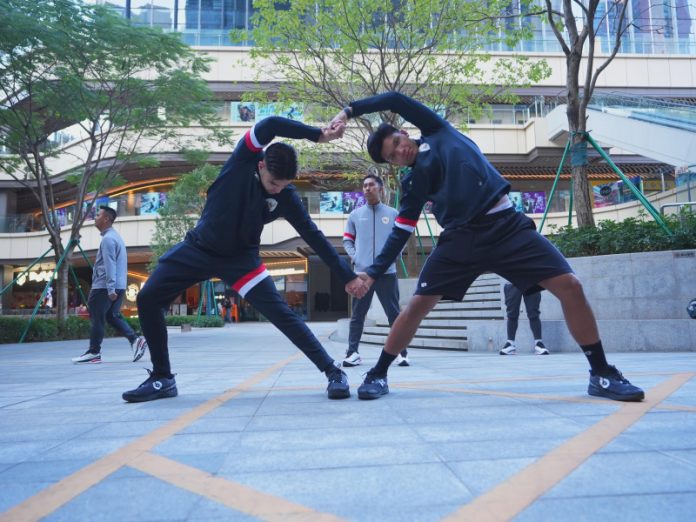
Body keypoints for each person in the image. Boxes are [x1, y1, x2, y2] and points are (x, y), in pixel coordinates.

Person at [330, 91, 644, 402]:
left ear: (404, 132)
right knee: (416, 306)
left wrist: (349, 112)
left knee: (571, 286)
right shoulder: (413, 184)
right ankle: (379, 373)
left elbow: (395, 99)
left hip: (507, 226)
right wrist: (372, 272)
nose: (401, 151)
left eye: (398, 142)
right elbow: (401, 231)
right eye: (393, 155)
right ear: (392, 164)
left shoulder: (437, 131)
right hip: (460, 240)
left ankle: (601, 372)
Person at [122, 116, 368, 403]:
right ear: (261, 165)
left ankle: (333, 372)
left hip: (241, 260)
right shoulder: (242, 163)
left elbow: (314, 237)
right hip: (199, 248)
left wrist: (346, 276)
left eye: (284, 184)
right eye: (273, 182)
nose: (277, 189)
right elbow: (270, 125)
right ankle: (162, 378)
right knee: (148, 297)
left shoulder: (286, 196)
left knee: (283, 316)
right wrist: (319, 135)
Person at [342, 174, 409, 367]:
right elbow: (347, 239)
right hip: (361, 274)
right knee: (357, 315)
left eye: (371, 185)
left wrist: (393, 257)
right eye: (364, 186)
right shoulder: (355, 215)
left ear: (380, 188)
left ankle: (402, 353)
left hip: (386, 273)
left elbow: (401, 239)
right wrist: (355, 257)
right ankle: (352, 353)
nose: (367, 188)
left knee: (394, 314)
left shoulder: (393, 213)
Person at [72, 206, 148, 364]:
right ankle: (135, 340)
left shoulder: (108, 239)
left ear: (106, 219)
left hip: (104, 287)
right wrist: (115, 287)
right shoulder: (115, 237)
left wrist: (110, 288)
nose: (95, 217)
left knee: (97, 318)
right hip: (118, 285)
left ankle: (94, 352)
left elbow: (110, 265)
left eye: (98, 215)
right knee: (111, 316)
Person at [499, 282, 549, 355]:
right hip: (512, 279)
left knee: (533, 313)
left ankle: (539, 343)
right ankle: (510, 343)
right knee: (511, 313)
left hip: (531, 280)